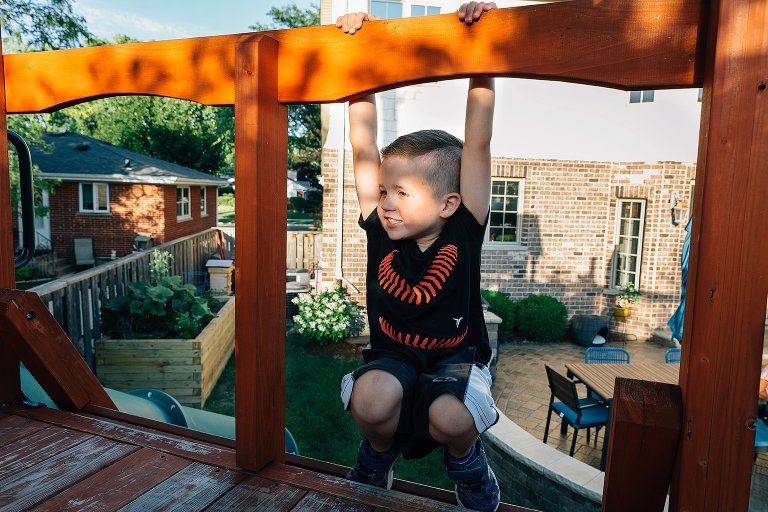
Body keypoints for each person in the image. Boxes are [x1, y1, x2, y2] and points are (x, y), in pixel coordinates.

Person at [336, 3, 500, 511]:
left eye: (401, 193)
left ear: (448, 202)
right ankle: (377, 454)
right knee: (370, 399)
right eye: (383, 190)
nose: (385, 202)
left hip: (456, 356)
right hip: (395, 354)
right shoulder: (382, 229)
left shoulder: (463, 228)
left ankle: (467, 467)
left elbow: (478, 141)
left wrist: (482, 53)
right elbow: (363, 144)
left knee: (452, 418)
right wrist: (358, 57)